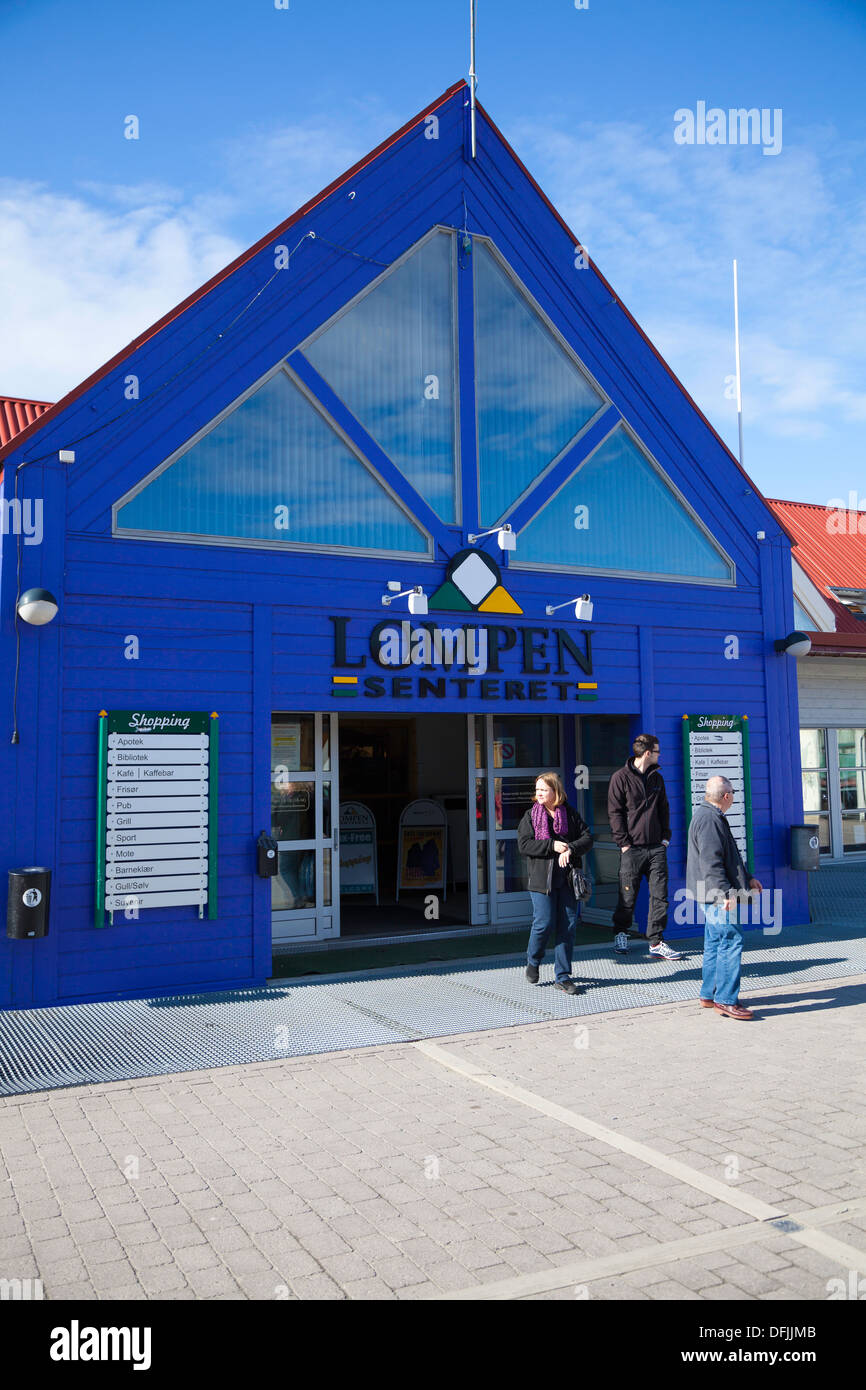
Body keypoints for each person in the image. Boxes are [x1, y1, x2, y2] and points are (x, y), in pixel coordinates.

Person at [687, 774, 763, 1021]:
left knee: (715, 942)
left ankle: (709, 994)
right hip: (717, 894)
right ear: (727, 796)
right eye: (733, 794)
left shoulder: (709, 815)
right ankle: (726, 1000)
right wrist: (725, 894)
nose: (734, 799)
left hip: (709, 892)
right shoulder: (710, 820)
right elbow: (712, 863)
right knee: (731, 940)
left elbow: (727, 855)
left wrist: (747, 877)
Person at [608, 732, 682, 959]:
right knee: (627, 896)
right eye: (658, 751)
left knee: (659, 896)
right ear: (648, 753)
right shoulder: (620, 778)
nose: (660, 755)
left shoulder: (657, 778)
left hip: (656, 848)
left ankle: (656, 942)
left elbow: (664, 809)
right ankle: (621, 932)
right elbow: (614, 812)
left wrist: (665, 838)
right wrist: (624, 844)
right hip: (632, 849)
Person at [518, 772, 593, 994]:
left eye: (544, 790)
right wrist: (552, 846)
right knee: (544, 923)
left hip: (567, 879)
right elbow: (524, 845)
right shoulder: (531, 816)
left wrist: (570, 848)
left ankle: (562, 976)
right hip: (542, 880)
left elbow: (587, 837)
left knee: (568, 926)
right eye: (537, 789)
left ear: (555, 792)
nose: (539, 793)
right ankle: (533, 960)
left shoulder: (569, 813)